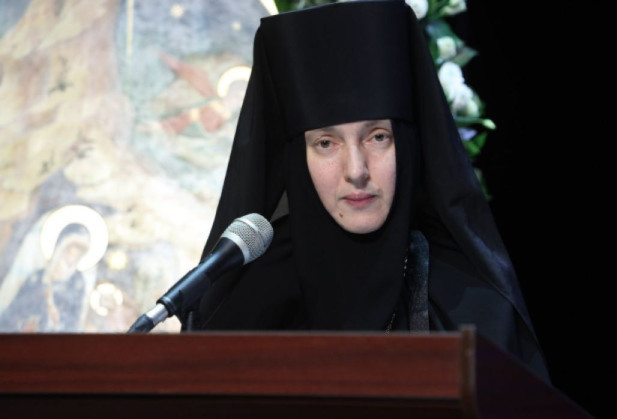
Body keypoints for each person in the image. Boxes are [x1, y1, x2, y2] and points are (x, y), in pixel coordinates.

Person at [188, 0, 549, 381]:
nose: (356, 171)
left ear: (408, 145)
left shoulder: (475, 309)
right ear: (296, 158)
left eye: (377, 137)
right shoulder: (242, 308)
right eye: (326, 143)